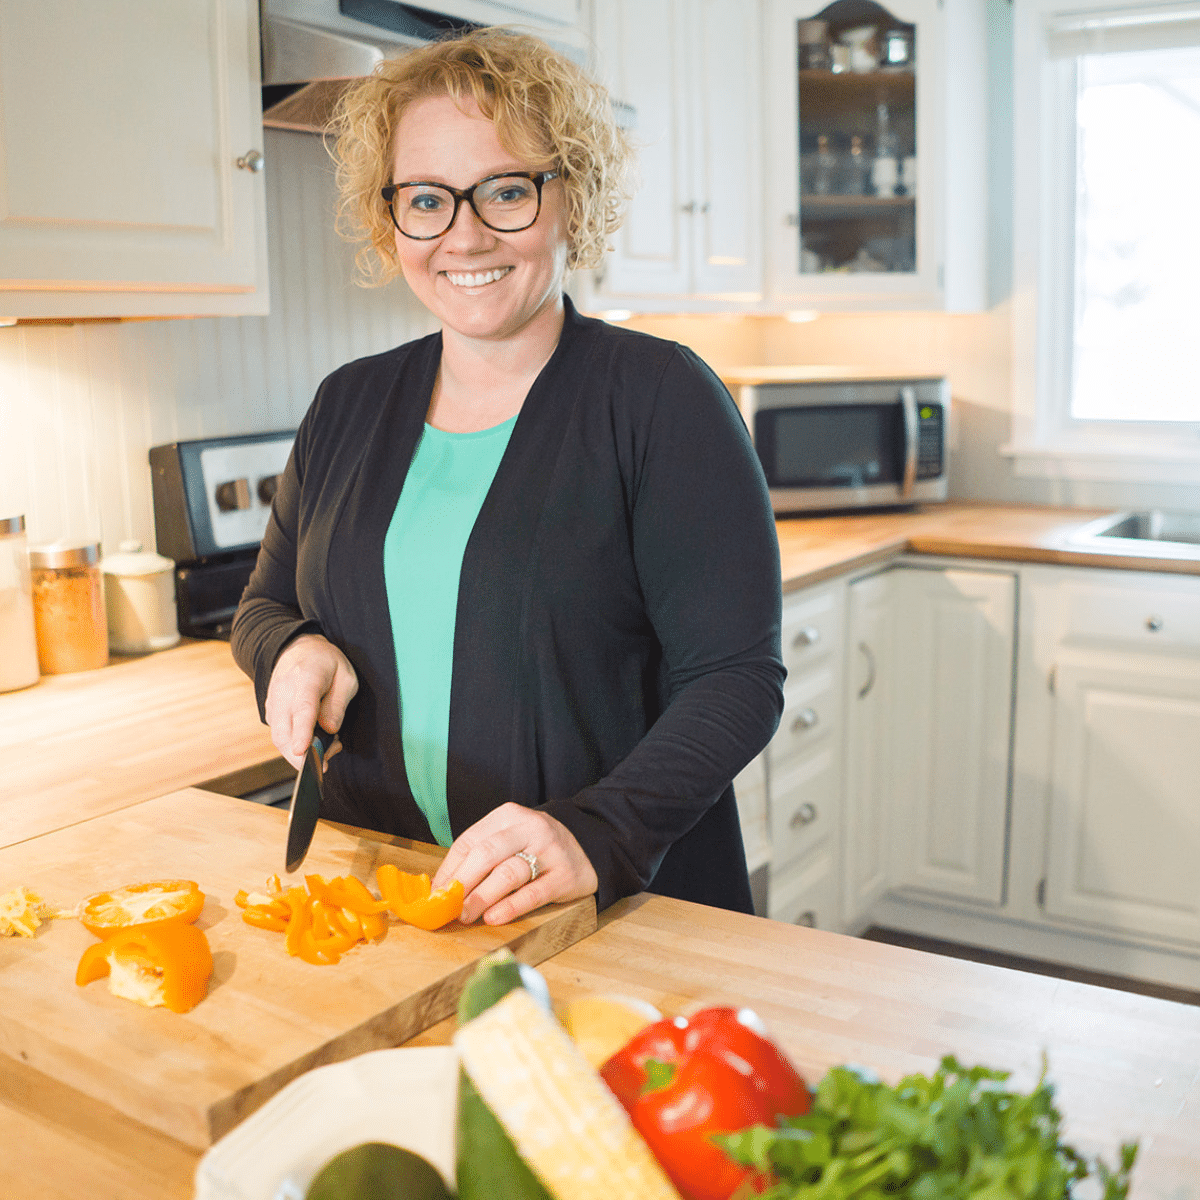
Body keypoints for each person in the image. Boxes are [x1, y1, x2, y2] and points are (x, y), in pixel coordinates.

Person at [231, 27, 785, 927]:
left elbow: (736, 679)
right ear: (392, 214)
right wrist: (291, 652)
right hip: (398, 905)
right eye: (427, 198)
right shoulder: (346, 404)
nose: (466, 233)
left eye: (506, 190)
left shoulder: (660, 400)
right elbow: (261, 609)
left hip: (610, 911)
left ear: (573, 197)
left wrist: (595, 832)